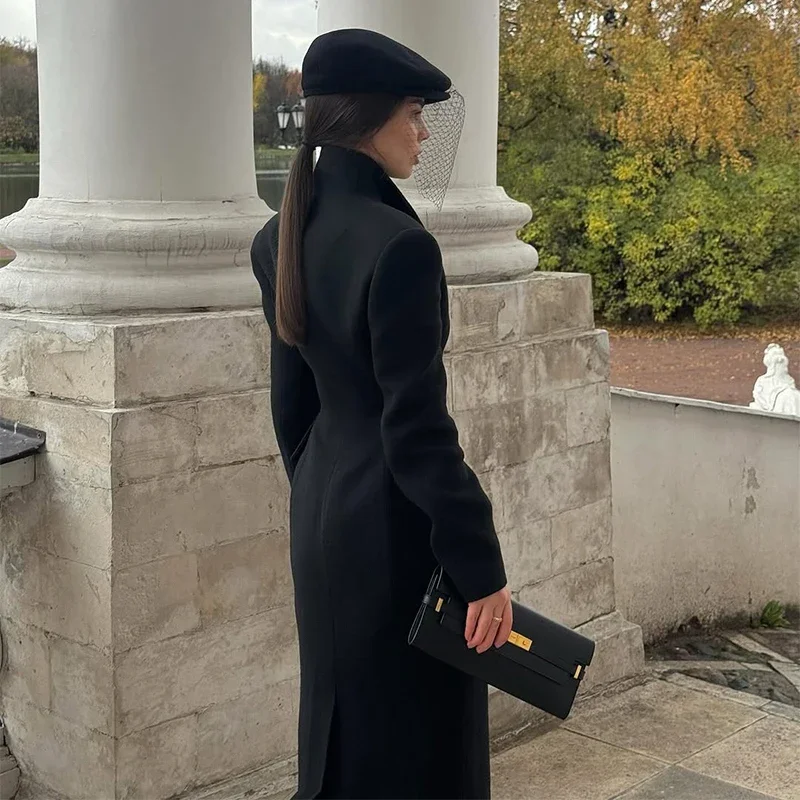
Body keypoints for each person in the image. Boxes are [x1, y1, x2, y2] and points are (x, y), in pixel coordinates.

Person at [251, 28, 512, 800]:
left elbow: (291, 403)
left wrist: (327, 493)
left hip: (323, 517)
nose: (423, 133)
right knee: (419, 749)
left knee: (342, 733)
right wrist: (482, 569)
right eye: (412, 114)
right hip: (397, 534)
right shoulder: (400, 246)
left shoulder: (279, 234)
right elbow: (418, 433)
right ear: (368, 117)